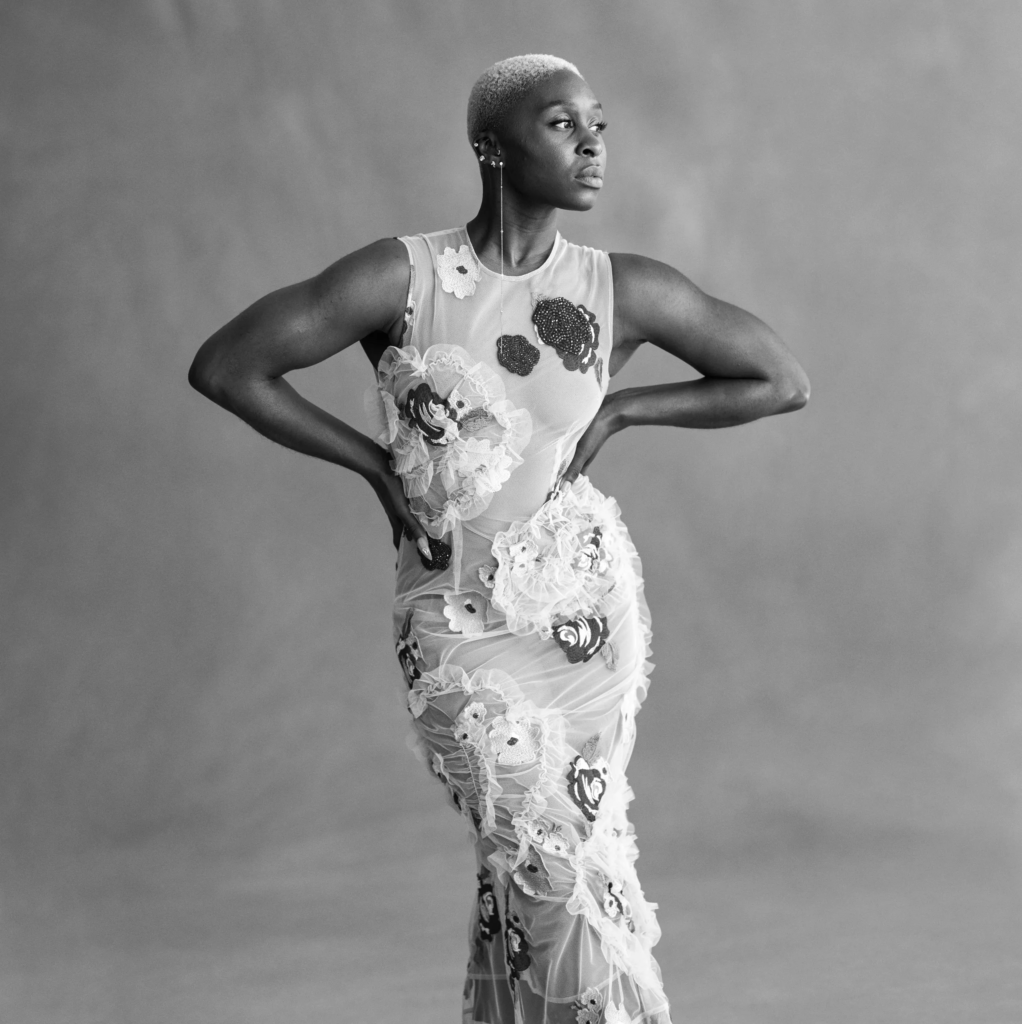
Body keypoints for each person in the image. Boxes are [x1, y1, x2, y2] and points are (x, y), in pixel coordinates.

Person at [189, 53, 808, 1024]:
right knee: (542, 850)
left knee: (551, 866)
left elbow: (777, 378)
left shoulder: (620, 288)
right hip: (452, 624)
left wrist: (623, 412)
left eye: (597, 123)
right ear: (490, 146)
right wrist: (370, 462)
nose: (592, 141)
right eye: (562, 124)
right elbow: (228, 367)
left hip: (577, 615)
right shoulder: (402, 276)